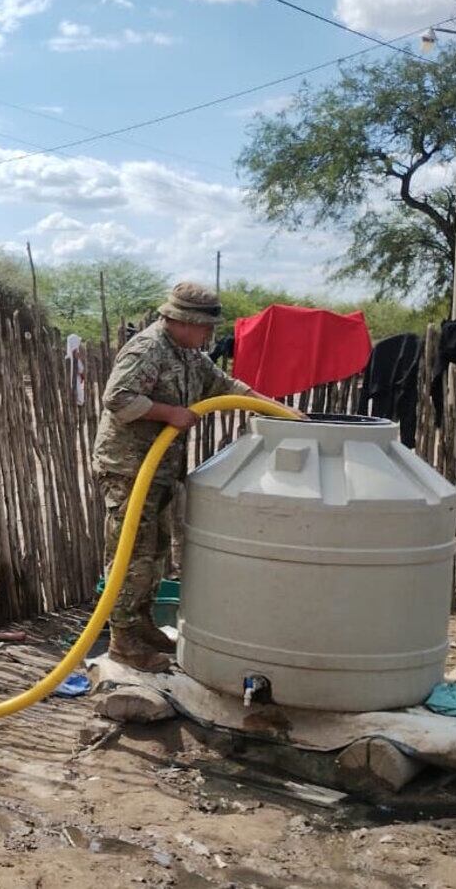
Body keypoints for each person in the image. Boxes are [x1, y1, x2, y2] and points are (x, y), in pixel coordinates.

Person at [92, 282, 278, 672]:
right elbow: (117, 397)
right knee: (132, 554)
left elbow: (224, 385)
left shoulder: (189, 353)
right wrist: (169, 413)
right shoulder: (148, 349)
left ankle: (141, 624)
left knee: (156, 552)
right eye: (205, 326)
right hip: (129, 468)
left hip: (159, 469)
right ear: (182, 321)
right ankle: (122, 640)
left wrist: (272, 407)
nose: (209, 334)